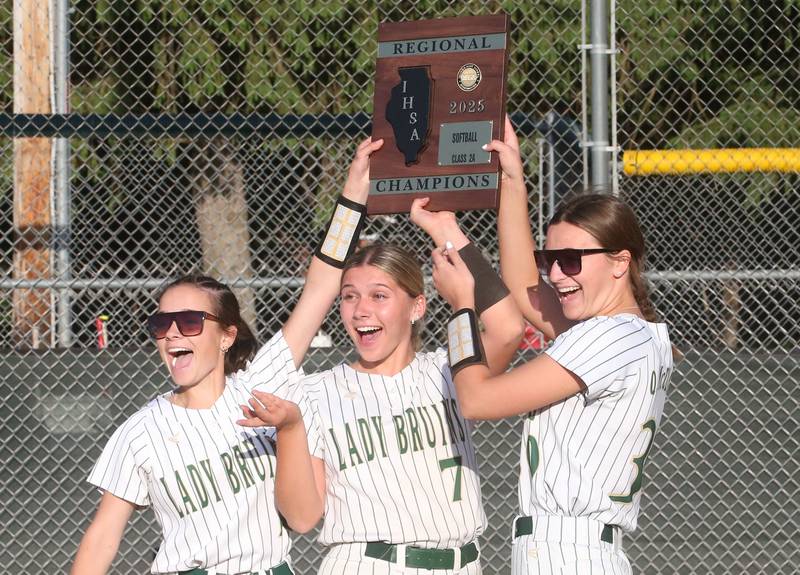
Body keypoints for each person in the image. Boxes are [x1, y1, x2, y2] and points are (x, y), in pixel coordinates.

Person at [70, 137, 384, 575]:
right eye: (162, 325)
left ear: (225, 336)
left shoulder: (262, 385)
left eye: (191, 322)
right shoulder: (140, 431)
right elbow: (103, 537)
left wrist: (353, 196)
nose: (173, 332)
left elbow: (321, 288)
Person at [426, 118, 674, 574]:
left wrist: (462, 308)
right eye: (551, 259)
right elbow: (525, 291)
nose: (557, 274)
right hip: (578, 550)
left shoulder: (609, 337)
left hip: (566, 551)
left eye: (572, 260)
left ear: (621, 262)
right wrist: (506, 185)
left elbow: (478, 399)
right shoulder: (637, 333)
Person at [239, 218, 526, 573]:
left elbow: (509, 328)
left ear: (417, 307)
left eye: (379, 295)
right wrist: (290, 429)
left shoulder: (449, 370)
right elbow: (301, 517)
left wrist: (445, 231)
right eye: (349, 297)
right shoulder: (314, 392)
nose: (360, 310)